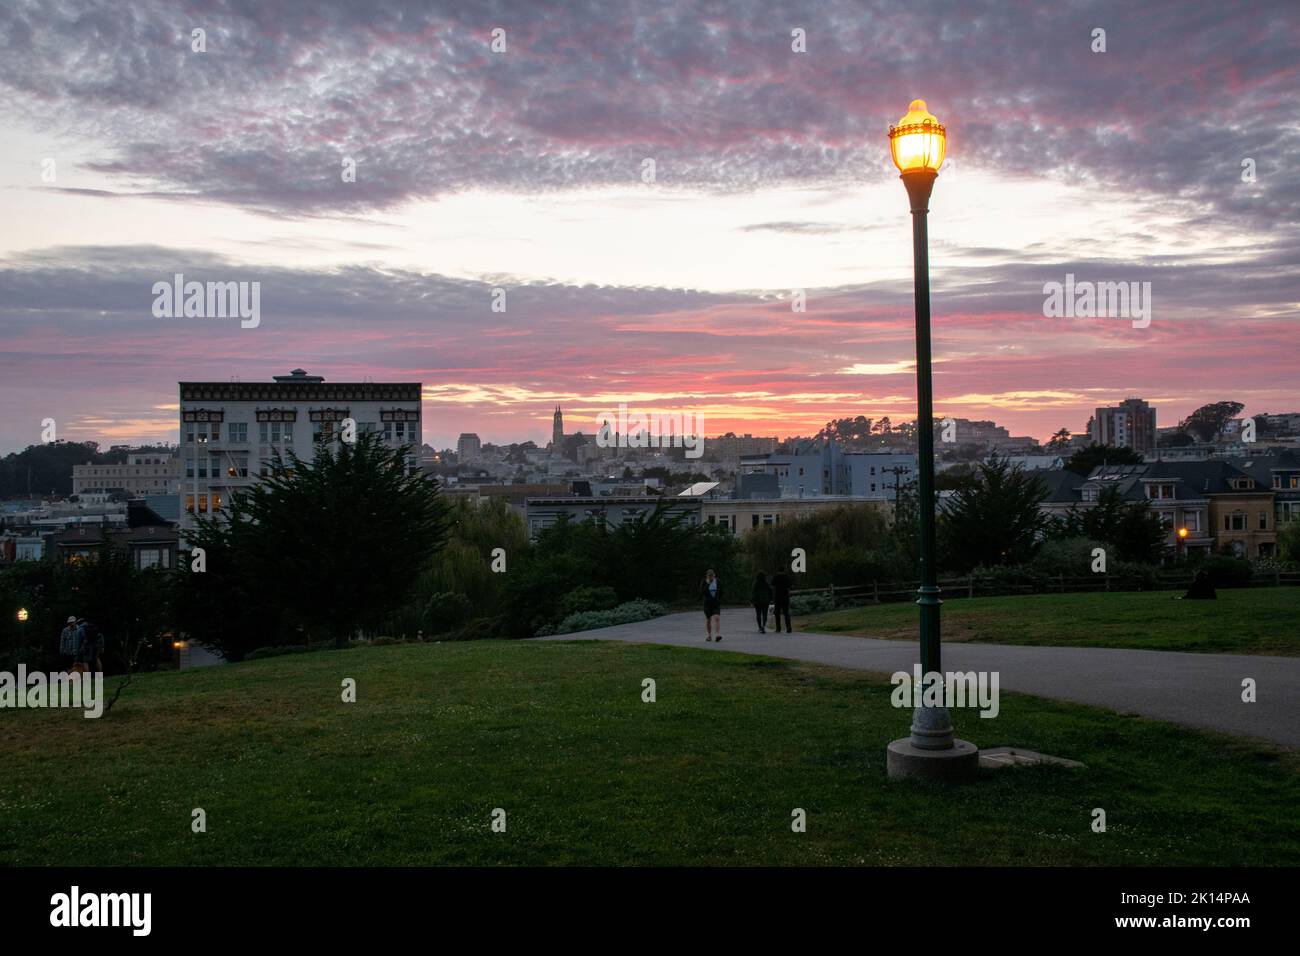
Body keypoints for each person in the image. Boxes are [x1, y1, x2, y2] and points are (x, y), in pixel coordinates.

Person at [701, 569, 722, 642]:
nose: (711, 577)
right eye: (709, 576)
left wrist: (719, 599)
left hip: (716, 603)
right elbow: (702, 592)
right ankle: (709, 636)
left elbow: (722, 591)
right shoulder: (704, 582)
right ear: (707, 576)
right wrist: (708, 584)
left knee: (717, 617)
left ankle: (718, 635)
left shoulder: (718, 582)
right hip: (707, 604)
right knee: (708, 619)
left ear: (714, 575)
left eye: (712, 575)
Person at [771, 564, 792, 633]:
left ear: (778, 570)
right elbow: (789, 586)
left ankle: (778, 628)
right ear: (784, 570)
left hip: (777, 596)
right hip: (785, 596)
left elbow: (772, 584)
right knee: (786, 613)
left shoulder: (775, 577)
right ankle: (788, 627)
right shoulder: (787, 577)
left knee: (777, 613)